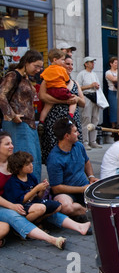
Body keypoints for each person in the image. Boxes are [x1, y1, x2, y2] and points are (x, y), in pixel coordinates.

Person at [0, 131, 91, 250]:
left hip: (21, 201)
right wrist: (12, 206)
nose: (11, 146)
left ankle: (79, 226)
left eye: (11, 143)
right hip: (5, 204)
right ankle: (51, 239)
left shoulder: (16, 162)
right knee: (15, 216)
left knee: (46, 208)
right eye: (7, 144)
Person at [0, 50, 43, 181]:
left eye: (40, 67)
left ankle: (34, 189)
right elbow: (1, 95)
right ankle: (24, 191)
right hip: (17, 124)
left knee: (34, 158)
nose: (38, 70)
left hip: (28, 124)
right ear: (26, 62)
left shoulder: (26, 78)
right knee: (24, 159)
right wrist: (12, 115)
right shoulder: (13, 75)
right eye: (36, 66)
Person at [46, 118, 98, 220]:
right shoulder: (54, 158)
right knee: (66, 207)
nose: (78, 133)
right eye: (75, 132)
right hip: (67, 193)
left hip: (84, 186)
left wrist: (91, 177)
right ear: (67, 136)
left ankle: (83, 212)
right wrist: (82, 189)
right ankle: (89, 212)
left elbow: (86, 161)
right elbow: (56, 188)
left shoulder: (78, 146)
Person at [39, 54, 85, 165]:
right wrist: (64, 102)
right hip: (54, 120)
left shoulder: (75, 83)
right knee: (54, 150)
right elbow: (42, 96)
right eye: (67, 63)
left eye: (72, 64)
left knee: (74, 150)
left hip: (72, 121)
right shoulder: (50, 80)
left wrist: (77, 98)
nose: (70, 67)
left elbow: (83, 103)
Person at [4, 151, 61, 223]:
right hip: (21, 206)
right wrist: (36, 188)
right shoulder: (14, 182)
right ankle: (23, 225)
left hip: (34, 202)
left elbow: (39, 196)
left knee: (58, 206)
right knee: (41, 208)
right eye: (27, 164)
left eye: (31, 163)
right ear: (18, 168)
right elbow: (22, 200)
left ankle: (37, 221)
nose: (31, 165)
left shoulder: (31, 176)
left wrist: (42, 189)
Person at [38, 49, 76, 128]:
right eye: (62, 60)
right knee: (73, 100)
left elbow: (42, 77)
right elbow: (67, 80)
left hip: (50, 90)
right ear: (55, 60)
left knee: (47, 107)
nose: (63, 62)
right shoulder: (61, 69)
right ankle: (70, 115)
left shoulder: (47, 69)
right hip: (61, 90)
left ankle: (41, 121)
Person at [76, 56, 102, 150]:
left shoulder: (94, 74)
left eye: (93, 62)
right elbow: (78, 87)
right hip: (86, 96)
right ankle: (85, 141)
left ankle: (93, 140)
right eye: (90, 62)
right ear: (86, 64)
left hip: (95, 96)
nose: (92, 64)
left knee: (95, 119)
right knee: (86, 119)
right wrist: (90, 86)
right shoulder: (81, 74)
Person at [105, 56, 119, 128]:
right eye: (115, 63)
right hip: (112, 92)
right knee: (113, 109)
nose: (117, 64)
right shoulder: (108, 72)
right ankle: (113, 127)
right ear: (111, 64)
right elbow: (113, 79)